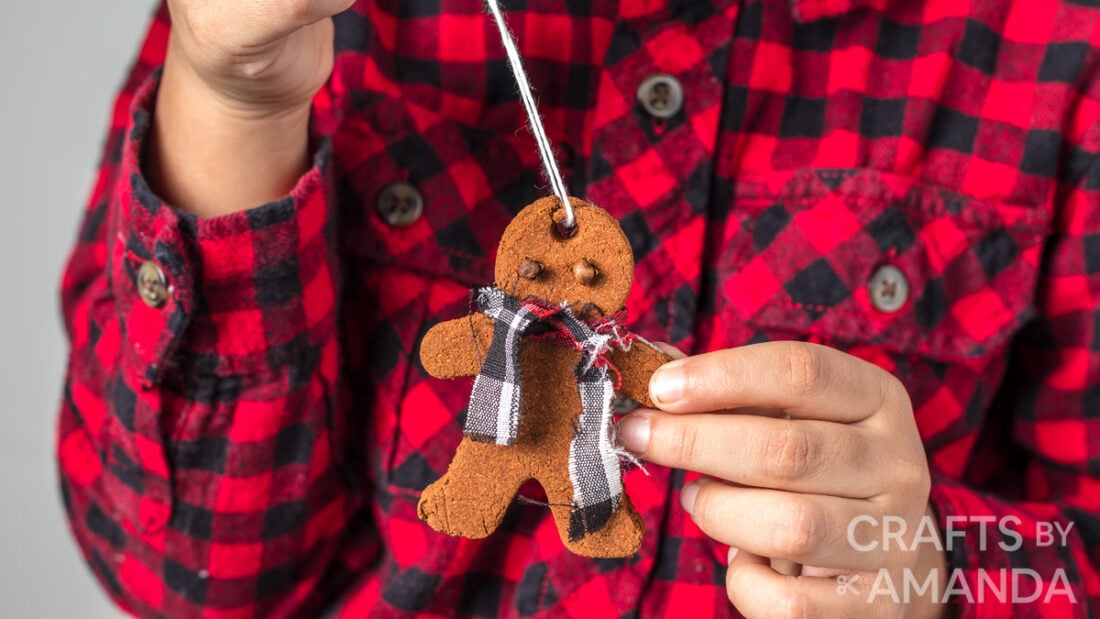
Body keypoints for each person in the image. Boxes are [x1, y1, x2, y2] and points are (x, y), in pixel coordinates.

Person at [57, 0, 1100, 616]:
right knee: (483, 472)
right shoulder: (282, 27)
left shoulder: (1053, 42)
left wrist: (930, 573)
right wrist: (236, 103)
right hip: (479, 445)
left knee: (586, 481)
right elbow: (184, 576)